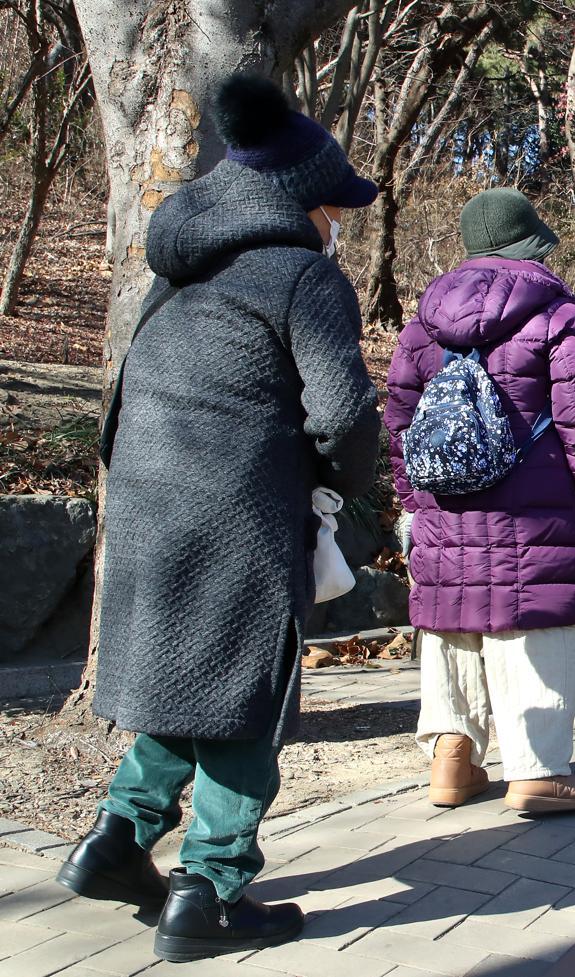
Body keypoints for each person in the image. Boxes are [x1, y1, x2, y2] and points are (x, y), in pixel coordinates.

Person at [59, 74, 381, 961]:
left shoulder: (178, 271)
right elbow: (345, 415)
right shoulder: (302, 276)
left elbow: (120, 400)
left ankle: (116, 842)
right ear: (301, 199)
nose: (338, 220)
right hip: (240, 512)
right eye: (335, 204)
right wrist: (347, 484)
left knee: (188, 680)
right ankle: (211, 888)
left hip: (148, 504)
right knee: (249, 696)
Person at [385, 189, 575, 814]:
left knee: (451, 618)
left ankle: (453, 762)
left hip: (444, 501)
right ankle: (537, 771)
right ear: (527, 246)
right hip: (530, 502)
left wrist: (411, 500)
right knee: (529, 621)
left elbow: (400, 418)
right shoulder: (554, 312)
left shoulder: (424, 321)